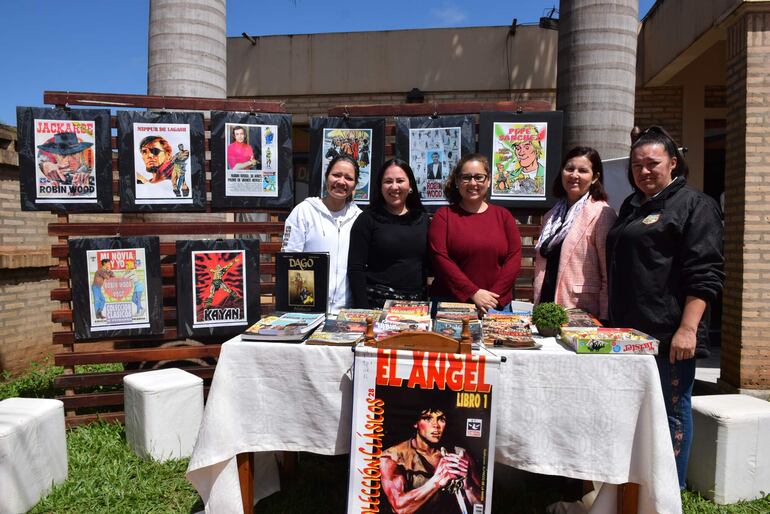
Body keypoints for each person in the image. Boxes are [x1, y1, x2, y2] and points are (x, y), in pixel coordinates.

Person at [606, 126, 724, 489]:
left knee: (672, 411)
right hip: (627, 334)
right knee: (636, 413)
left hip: (668, 335)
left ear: (673, 163)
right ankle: (638, 487)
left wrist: (688, 330)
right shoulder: (631, 205)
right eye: (637, 165)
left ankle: (670, 492)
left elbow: (704, 273)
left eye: (653, 163)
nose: (644, 171)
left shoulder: (695, 205)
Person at [429, 154, 521, 313]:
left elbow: (514, 257)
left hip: (496, 304)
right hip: (452, 304)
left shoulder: (503, 216)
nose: (473, 183)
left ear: (489, 180)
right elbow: (440, 259)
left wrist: (491, 298)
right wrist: (473, 292)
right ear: (457, 182)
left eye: (479, 177)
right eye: (466, 178)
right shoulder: (444, 216)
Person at [533, 146, 617, 320]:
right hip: (546, 306)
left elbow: (607, 274)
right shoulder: (551, 216)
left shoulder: (601, 213)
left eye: (583, 170)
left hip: (581, 312)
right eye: (569, 169)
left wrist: (605, 316)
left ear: (595, 177)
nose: (574, 175)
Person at [281, 154, 362, 313]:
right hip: (307, 309)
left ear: (355, 184)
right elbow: (289, 259)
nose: (341, 182)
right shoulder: (304, 211)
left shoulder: (359, 218)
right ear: (326, 177)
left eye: (348, 178)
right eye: (336, 175)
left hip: (346, 312)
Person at [348, 158, 430, 308]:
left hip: (416, 306)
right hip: (376, 304)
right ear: (380, 186)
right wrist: (364, 310)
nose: (394, 187)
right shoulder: (367, 219)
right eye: (388, 181)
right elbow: (355, 269)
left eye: (400, 181)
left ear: (410, 185)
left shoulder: (424, 220)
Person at [381, 406, 482, 514]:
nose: (436, 425)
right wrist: (437, 481)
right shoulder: (392, 457)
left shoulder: (459, 454)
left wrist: (469, 485)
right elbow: (400, 508)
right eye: (428, 419)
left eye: (441, 419)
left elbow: (482, 506)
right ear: (416, 423)